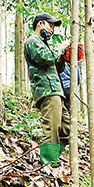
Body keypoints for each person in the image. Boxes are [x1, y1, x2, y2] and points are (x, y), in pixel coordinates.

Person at [24, 13, 71, 148]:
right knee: (51, 130)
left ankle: (52, 158)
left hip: (56, 91)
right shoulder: (32, 41)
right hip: (46, 91)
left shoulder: (46, 45)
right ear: (40, 24)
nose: (52, 30)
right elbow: (45, 58)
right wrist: (60, 49)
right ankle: (48, 163)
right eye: (50, 26)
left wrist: (64, 56)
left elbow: (58, 68)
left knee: (67, 129)